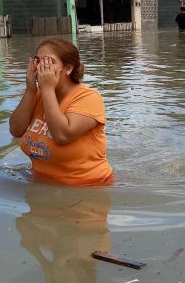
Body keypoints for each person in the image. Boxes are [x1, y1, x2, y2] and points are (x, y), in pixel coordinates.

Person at [9, 37, 113, 186]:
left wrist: (47, 89)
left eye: (49, 62)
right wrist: (30, 90)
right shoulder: (38, 95)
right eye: (38, 61)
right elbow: (16, 130)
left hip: (87, 187)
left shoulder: (89, 98)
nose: (41, 68)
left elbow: (62, 135)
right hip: (42, 184)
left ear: (68, 69)